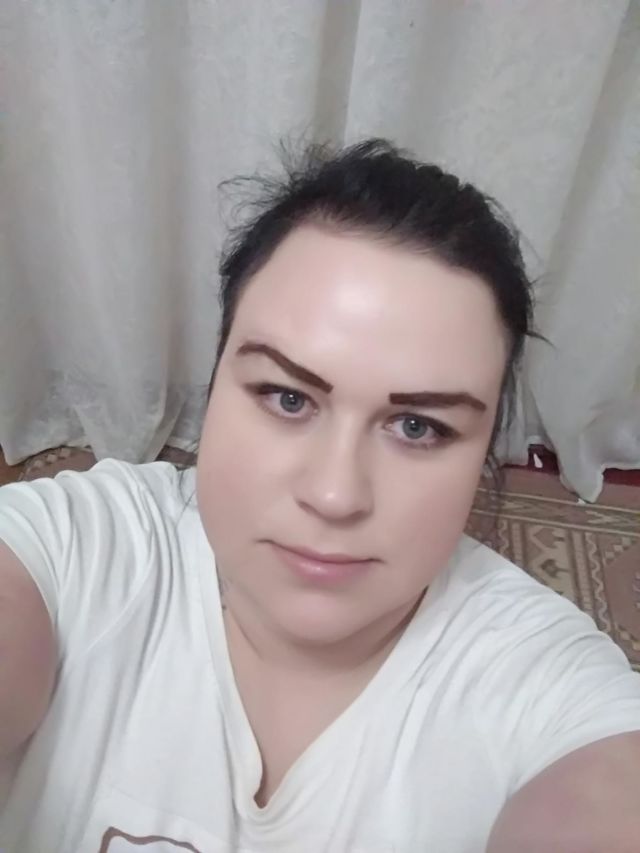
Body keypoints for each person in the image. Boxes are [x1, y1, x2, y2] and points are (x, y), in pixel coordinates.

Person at [0, 140, 639, 853]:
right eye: (288, 397)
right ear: (217, 383)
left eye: (418, 426)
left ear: (486, 449)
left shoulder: (545, 687)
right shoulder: (83, 550)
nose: (335, 495)